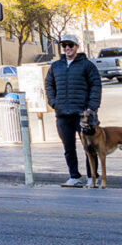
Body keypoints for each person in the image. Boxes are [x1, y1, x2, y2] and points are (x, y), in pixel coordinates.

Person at [45, 34, 103, 187]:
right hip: (63, 114)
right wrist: (53, 102)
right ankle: (74, 176)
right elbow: (49, 85)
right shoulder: (56, 66)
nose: (67, 48)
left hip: (84, 114)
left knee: (89, 147)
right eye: (64, 45)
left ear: (77, 46)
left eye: (70, 45)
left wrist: (92, 107)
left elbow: (96, 86)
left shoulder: (87, 65)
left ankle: (92, 177)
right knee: (68, 148)